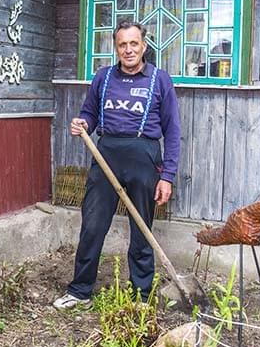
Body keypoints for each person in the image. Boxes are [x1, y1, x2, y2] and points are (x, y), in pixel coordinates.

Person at [53, 21, 180, 309]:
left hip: (144, 155)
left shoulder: (160, 79)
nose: (129, 49)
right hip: (106, 152)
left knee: (141, 227)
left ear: (144, 46)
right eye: (123, 44)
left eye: (134, 43)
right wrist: (83, 123)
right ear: (116, 48)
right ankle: (80, 291)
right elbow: (90, 113)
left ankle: (141, 295)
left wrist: (168, 175)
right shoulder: (103, 77)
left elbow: (172, 130)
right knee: (93, 224)